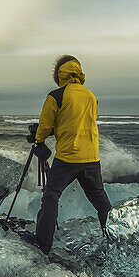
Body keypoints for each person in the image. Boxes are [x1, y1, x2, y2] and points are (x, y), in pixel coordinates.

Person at [30, 55, 112, 252]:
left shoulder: (56, 96)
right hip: (91, 158)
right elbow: (76, 123)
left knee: (50, 196)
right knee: (101, 202)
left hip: (67, 158)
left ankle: (43, 244)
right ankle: (112, 238)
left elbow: (45, 125)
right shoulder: (91, 96)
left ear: (60, 75)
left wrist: (38, 141)